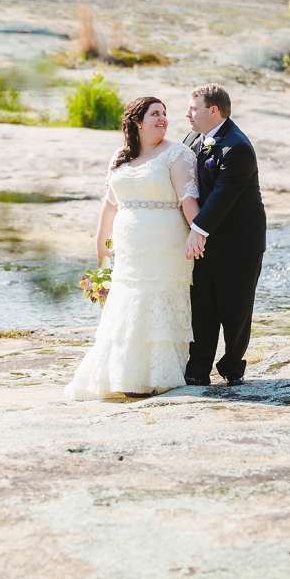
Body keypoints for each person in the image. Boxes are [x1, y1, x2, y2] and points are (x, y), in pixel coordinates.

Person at [64, 97, 202, 399]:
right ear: (137, 121)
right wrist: (100, 245)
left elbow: (188, 201)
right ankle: (123, 375)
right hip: (129, 250)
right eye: (155, 114)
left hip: (166, 247)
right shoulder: (121, 156)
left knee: (156, 301)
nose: (162, 119)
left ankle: (157, 377)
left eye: (165, 114)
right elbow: (110, 204)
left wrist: (200, 232)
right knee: (127, 303)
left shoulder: (178, 154)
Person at [182, 84, 266, 387]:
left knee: (235, 310)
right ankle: (197, 369)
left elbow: (222, 195)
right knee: (201, 305)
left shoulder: (237, 146)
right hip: (200, 240)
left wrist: (197, 230)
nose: (188, 114)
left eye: (193, 108)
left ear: (213, 110)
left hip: (238, 245)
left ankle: (233, 366)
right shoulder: (193, 138)